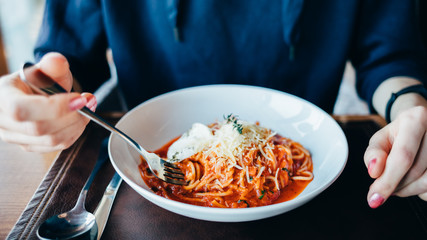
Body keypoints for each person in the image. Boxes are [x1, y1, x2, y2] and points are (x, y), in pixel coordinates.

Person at [0, 0, 426, 209]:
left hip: (314, 196)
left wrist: (411, 109)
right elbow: (66, 64)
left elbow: (387, 53)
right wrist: (38, 92)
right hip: (141, 189)